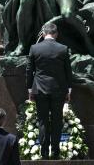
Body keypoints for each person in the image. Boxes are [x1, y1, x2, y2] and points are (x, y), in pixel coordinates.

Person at [26, 21, 73, 159]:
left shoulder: (34, 48)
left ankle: (44, 153)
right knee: (57, 121)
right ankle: (56, 153)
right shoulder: (63, 49)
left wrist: (30, 89)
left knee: (43, 121)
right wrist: (69, 90)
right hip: (59, 90)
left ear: (44, 33)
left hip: (39, 90)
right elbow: (68, 72)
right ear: (56, 34)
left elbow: (29, 70)